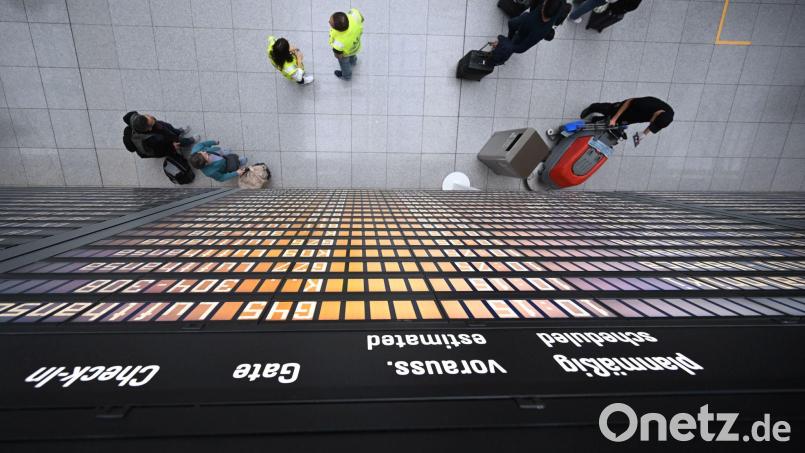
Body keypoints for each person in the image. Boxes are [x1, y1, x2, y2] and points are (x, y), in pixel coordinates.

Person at [490, 0, 564, 67]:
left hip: (522, 34)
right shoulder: (559, 6)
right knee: (511, 44)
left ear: (544, 7)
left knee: (512, 44)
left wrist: (504, 43)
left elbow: (521, 47)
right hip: (526, 28)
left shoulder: (531, 23)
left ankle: (500, 57)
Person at [580, 96, 674, 146]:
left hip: (637, 117)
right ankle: (593, 107)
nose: (650, 124)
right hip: (629, 107)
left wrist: (644, 134)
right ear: (656, 115)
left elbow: (657, 124)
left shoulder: (668, 116)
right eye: (652, 122)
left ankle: (595, 120)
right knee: (610, 110)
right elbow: (629, 101)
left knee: (617, 124)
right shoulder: (648, 104)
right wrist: (614, 118)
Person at [125, 111, 195, 159]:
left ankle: (178, 131)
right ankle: (189, 141)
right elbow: (159, 152)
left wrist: (169, 129)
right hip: (163, 141)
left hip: (161, 130)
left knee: (170, 129)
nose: (151, 117)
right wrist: (172, 147)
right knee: (178, 141)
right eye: (152, 122)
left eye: (148, 116)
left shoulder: (135, 118)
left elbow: (162, 126)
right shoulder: (151, 140)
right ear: (149, 129)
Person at [329, 8, 364, 80]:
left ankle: (347, 76)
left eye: (331, 23)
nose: (328, 21)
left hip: (346, 53)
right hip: (355, 47)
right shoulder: (354, 15)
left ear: (338, 29)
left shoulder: (338, 43)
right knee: (353, 56)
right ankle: (353, 62)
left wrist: (340, 58)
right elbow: (362, 19)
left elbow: (338, 56)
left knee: (344, 64)